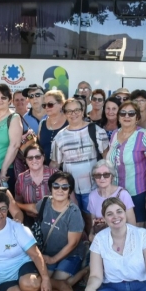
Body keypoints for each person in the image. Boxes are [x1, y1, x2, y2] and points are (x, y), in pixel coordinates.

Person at [51, 98, 109, 230]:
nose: (73, 114)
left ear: (82, 111)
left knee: (95, 221)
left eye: (76, 110)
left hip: (94, 188)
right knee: (75, 222)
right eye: (69, 111)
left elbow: (107, 158)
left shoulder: (96, 130)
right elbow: (55, 164)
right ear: (64, 113)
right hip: (70, 190)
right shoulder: (59, 137)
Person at [36, 171, 87, 291]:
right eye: (56, 186)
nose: (60, 190)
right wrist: (14, 205)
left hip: (71, 254)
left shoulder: (74, 212)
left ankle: (84, 271)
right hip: (49, 252)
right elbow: (31, 208)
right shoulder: (45, 202)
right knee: (45, 280)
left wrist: (53, 259)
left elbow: (73, 243)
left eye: (64, 187)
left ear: (70, 190)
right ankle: (63, 286)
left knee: (54, 280)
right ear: (51, 187)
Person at [107, 100, 146, 225]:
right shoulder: (115, 134)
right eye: (123, 113)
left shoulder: (144, 135)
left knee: (136, 228)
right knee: (118, 227)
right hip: (115, 192)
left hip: (137, 192)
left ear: (137, 117)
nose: (127, 116)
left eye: (131, 113)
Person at [87, 160, 136, 236]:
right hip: (102, 238)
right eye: (98, 175)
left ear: (112, 177)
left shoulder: (123, 194)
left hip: (122, 236)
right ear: (94, 178)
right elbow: (93, 225)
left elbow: (132, 225)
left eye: (106, 175)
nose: (102, 178)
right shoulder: (92, 196)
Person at [15, 144, 55, 219]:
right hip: (31, 222)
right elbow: (16, 203)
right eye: (30, 158)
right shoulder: (21, 178)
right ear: (26, 160)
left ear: (43, 157)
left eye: (38, 157)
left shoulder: (55, 174)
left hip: (54, 220)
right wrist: (29, 208)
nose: (34, 160)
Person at [38, 90, 68, 166]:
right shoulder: (42, 123)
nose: (47, 107)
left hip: (65, 169)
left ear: (61, 104)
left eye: (50, 104)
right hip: (45, 170)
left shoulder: (69, 121)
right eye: (44, 105)